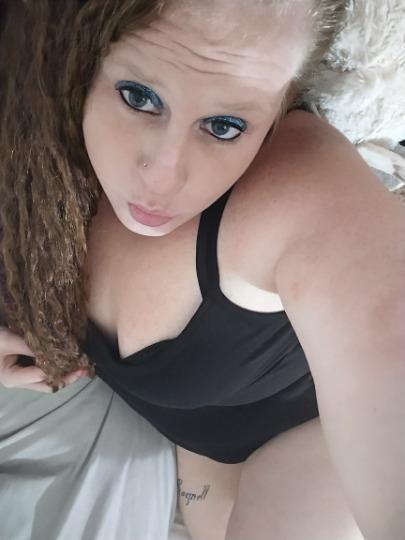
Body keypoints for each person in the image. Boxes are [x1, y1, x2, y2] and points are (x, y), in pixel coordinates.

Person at [0, 1, 404, 539]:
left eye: (224, 125)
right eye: (139, 97)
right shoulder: (22, 126)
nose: (163, 178)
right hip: (203, 462)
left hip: (314, 444)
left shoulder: (301, 192)